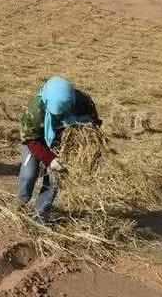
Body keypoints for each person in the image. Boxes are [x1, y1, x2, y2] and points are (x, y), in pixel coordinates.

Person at [18, 76, 101, 222]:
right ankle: (21, 203)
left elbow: (93, 124)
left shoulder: (82, 101)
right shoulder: (35, 109)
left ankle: (40, 216)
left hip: (62, 142)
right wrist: (50, 159)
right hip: (36, 140)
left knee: (53, 180)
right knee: (29, 174)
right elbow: (30, 139)